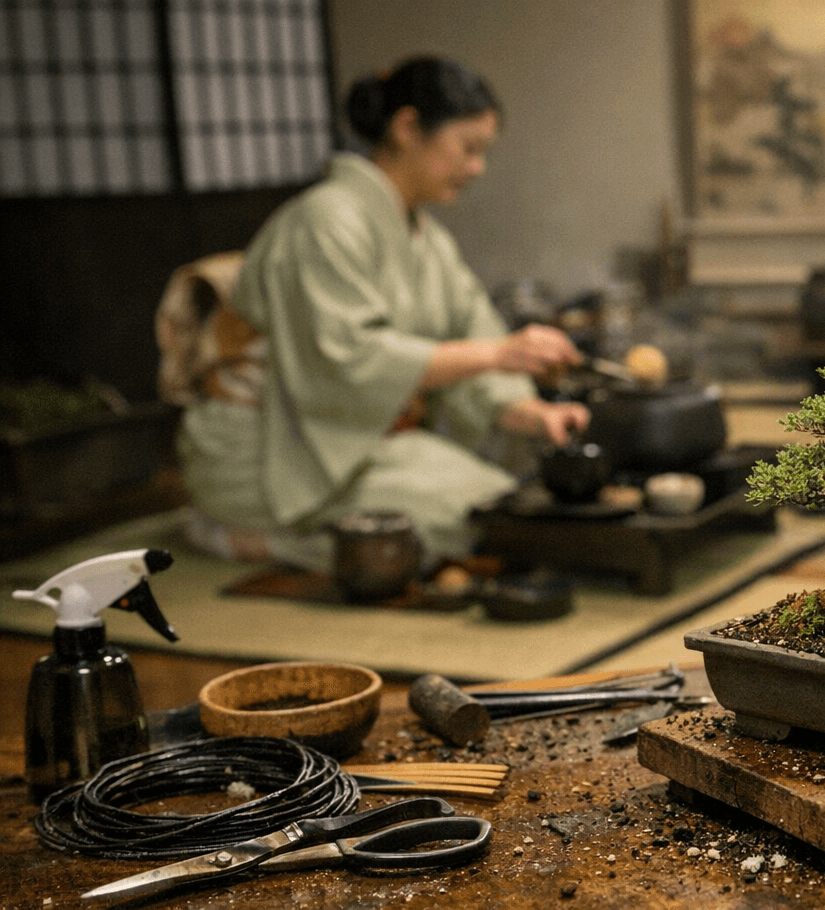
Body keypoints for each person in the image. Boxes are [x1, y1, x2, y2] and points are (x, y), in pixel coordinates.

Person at [172, 57, 589, 573]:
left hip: (352, 441)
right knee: (456, 523)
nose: (477, 167)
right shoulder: (325, 220)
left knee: (498, 505)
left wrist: (535, 415)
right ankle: (250, 538)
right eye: (468, 147)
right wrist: (498, 353)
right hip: (273, 448)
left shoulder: (427, 239)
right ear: (408, 127)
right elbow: (346, 358)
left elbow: (472, 335)